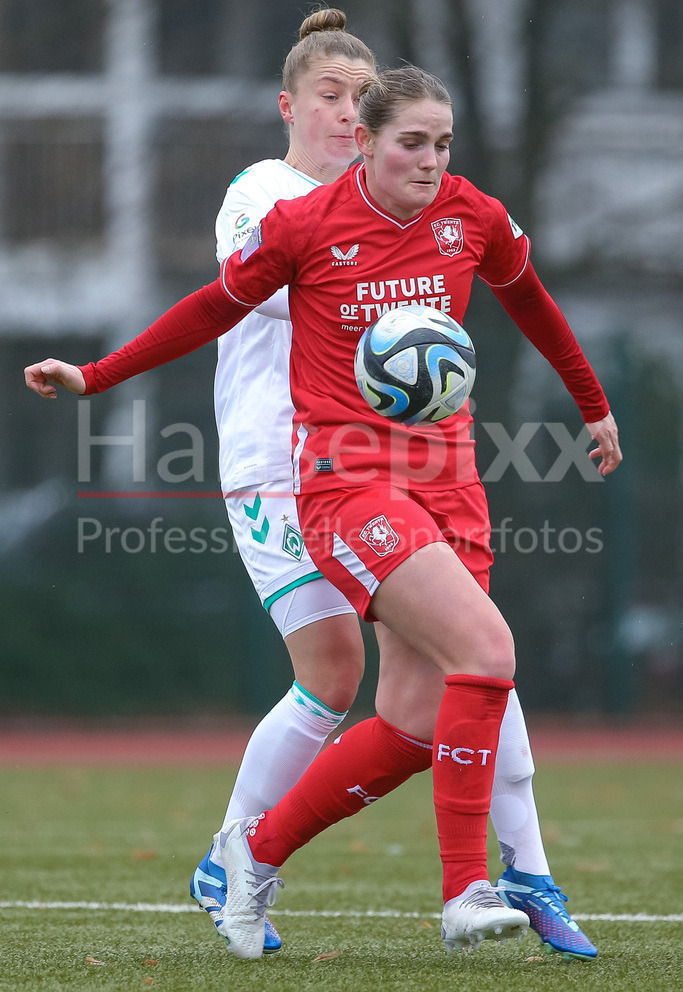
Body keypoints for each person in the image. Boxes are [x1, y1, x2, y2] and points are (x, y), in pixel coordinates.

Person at [24, 62, 622, 962]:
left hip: (451, 477)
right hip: (348, 482)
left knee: (420, 723)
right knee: (488, 651)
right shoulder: (304, 222)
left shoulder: (472, 215)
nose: (428, 161)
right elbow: (208, 310)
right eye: (410, 144)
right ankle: (469, 888)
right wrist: (95, 377)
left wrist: (592, 401)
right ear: (369, 145)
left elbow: (529, 298)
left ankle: (251, 852)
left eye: (441, 144)